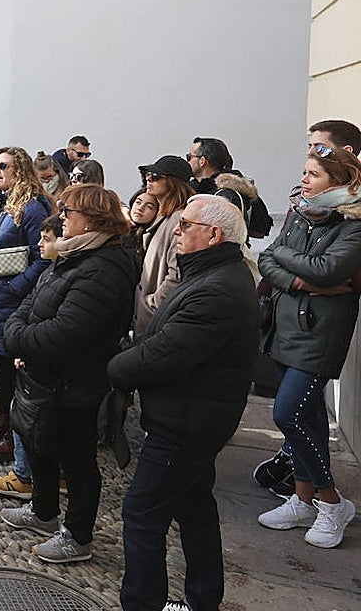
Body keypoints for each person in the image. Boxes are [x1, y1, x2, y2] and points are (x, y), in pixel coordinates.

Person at [109, 195, 259, 611]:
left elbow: (165, 352)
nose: (177, 229)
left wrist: (115, 367)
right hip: (193, 414)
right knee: (194, 508)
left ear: (213, 235)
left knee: (142, 515)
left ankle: (143, 603)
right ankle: (203, 600)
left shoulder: (218, 289)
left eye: (186, 225)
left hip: (187, 422)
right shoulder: (212, 273)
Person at [0, 185, 135, 564]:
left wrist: (21, 342)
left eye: (68, 212)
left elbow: (67, 333)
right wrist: (21, 336)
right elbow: (31, 302)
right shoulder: (74, 255)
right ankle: (43, 512)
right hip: (46, 376)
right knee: (39, 443)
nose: (61, 219)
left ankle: (77, 536)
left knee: (76, 460)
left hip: (76, 382)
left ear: (92, 219)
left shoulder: (103, 267)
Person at [255, 146, 361, 548]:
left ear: (339, 182)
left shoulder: (353, 223)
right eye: (305, 172)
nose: (303, 180)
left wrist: (289, 261)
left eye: (313, 174)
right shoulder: (302, 213)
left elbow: (329, 269)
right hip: (285, 325)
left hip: (320, 333)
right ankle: (302, 499)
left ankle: (332, 503)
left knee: (289, 414)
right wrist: (300, 280)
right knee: (309, 414)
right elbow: (268, 260)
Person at [0, 146, 53, 460]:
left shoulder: (32, 209)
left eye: (4, 165)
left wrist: (17, 287)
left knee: (15, 370)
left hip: (12, 300)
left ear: (21, 170)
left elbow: (43, 256)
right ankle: (4, 421)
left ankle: (17, 432)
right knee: (1, 368)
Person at [0, 209, 63, 501]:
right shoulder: (56, 270)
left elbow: (57, 320)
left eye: (46, 240)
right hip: (31, 347)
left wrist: (25, 347)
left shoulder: (65, 271)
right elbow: (30, 307)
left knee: (30, 417)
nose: (39, 246)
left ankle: (26, 477)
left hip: (44, 359)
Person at [133, 155, 195, 338]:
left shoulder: (179, 218)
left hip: (156, 321)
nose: (148, 179)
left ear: (173, 182)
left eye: (155, 176)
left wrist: (151, 305)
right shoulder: (165, 217)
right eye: (147, 175)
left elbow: (176, 275)